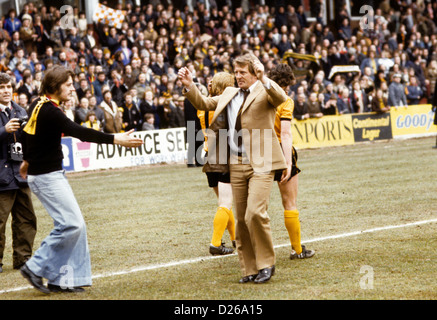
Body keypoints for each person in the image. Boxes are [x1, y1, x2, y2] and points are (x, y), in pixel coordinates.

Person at [19, 65, 143, 294]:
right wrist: (116, 139)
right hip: (47, 177)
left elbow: (26, 133)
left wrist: (26, 159)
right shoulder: (51, 111)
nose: (72, 88)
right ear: (55, 87)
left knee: (76, 226)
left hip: (47, 174)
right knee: (72, 224)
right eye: (67, 85)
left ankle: (62, 279)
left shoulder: (39, 104)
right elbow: (79, 132)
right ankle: (34, 267)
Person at [179, 53, 288, 284]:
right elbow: (203, 104)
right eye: (235, 72)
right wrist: (189, 87)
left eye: (242, 72)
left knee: (255, 213)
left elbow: (281, 97)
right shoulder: (229, 92)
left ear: (254, 71)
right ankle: (249, 269)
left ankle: (267, 263)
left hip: (262, 161)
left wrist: (264, 78)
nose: (238, 76)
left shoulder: (265, 90)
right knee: (240, 219)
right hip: (235, 162)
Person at [268, 63, 315, 260]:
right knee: (289, 203)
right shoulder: (285, 101)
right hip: (279, 149)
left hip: (260, 149)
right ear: (288, 82)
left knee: (257, 205)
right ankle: (297, 249)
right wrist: (288, 162)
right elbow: (286, 134)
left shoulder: (262, 96)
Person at [0, 72, 36, 273]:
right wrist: (4, 130)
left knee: (26, 218)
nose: (6, 91)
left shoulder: (20, 110)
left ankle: (23, 259)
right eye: (2, 87)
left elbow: (28, 140)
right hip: (1, 176)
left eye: (8, 87)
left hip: (21, 173)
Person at [198, 72, 236, 255]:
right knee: (226, 203)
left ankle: (236, 239)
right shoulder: (224, 105)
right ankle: (215, 243)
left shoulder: (203, 106)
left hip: (208, 153)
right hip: (222, 152)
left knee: (224, 202)